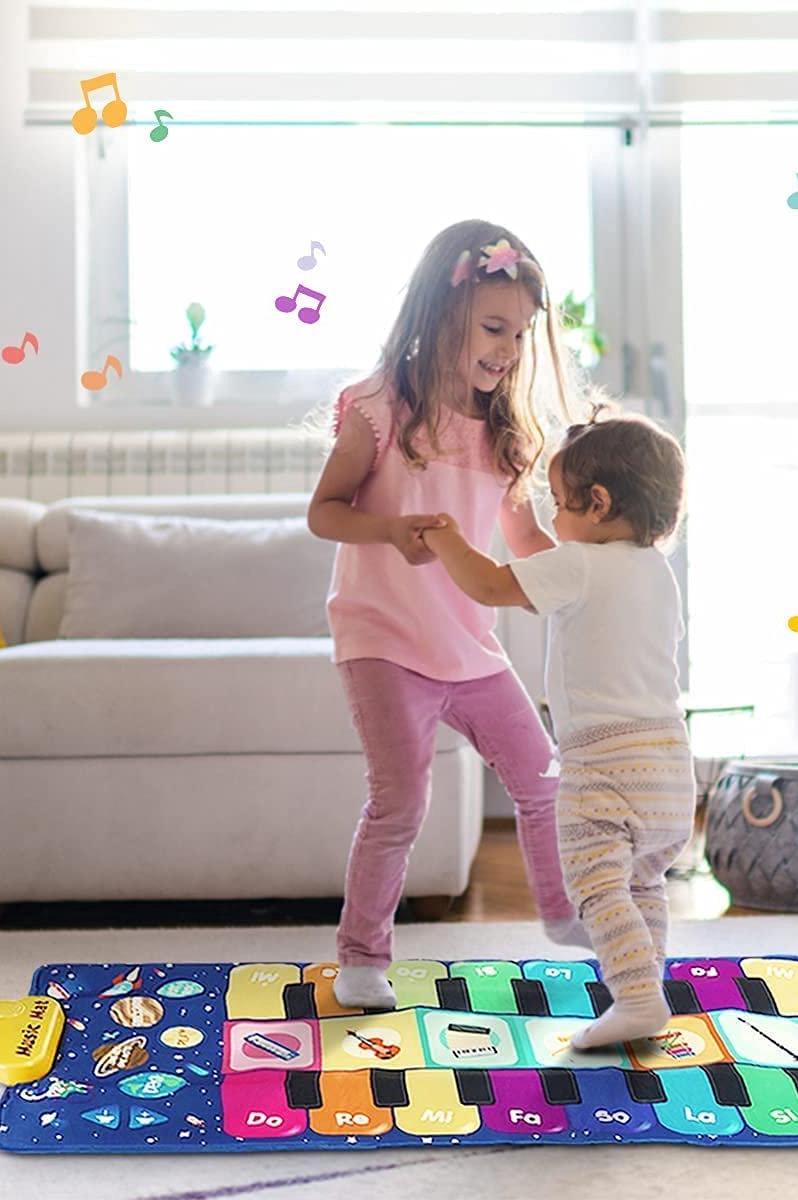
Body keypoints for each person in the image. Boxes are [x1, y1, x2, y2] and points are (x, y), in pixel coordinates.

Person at [307, 219, 591, 1011]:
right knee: (400, 801)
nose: (507, 349)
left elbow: (523, 535)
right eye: (493, 328)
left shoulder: (503, 432)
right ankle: (363, 956)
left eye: (521, 334)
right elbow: (324, 512)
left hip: (468, 645)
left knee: (542, 777)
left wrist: (581, 573)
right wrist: (388, 532)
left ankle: (564, 916)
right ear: (441, 317)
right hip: (383, 640)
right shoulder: (378, 410)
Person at [422, 410, 695, 1049]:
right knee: (641, 882)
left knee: (597, 886)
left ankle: (634, 998)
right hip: (670, 761)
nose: (551, 522)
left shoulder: (579, 562)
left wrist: (443, 536)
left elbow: (487, 584)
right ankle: (643, 987)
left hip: (604, 762)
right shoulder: (657, 572)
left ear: (598, 505)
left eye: (560, 506)